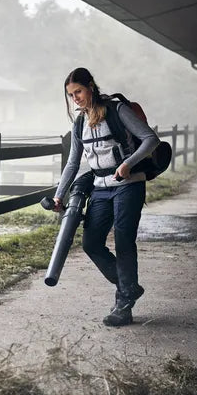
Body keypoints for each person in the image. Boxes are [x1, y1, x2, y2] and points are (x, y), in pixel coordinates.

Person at [52, 67, 160, 327]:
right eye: (70, 94)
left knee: (123, 241)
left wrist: (128, 164)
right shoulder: (79, 123)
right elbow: (73, 163)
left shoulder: (117, 110)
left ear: (90, 86)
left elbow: (150, 139)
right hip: (100, 187)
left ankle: (123, 306)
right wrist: (59, 194)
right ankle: (129, 287)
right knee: (90, 242)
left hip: (128, 184)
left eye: (78, 91)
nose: (75, 98)